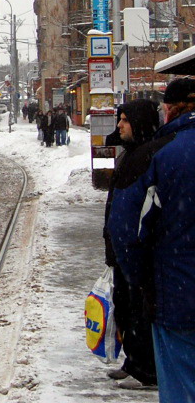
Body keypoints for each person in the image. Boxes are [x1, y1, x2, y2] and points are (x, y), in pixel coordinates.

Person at [110, 77, 195, 401]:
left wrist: (141, 281)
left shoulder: (160, 154)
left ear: (170, 111)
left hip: (178, 295)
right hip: (176, 289)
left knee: (181, 384)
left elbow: (126, 232)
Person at [101, 99, 163, 389]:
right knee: (125, 307)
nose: (119, 125)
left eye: (125, 120)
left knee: (139, 311)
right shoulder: (130, 153)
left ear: (139, 123)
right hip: (122, 249)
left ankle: (145, 369)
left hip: (136, 250)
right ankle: (132, 361)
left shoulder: (148, 155)